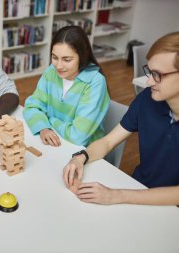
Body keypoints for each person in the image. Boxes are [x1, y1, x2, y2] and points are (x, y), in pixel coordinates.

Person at [63, 31, 179, 206]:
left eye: (158, 75)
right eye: (149, 71)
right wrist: (80, 158)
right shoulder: (147, 99)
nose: (148, 82)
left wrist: (116, 195)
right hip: (137, 188)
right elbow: (108, 142)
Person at [23, 26, 110, 147]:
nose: (58, 66)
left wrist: (49, 120)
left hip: (83, 153)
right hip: (55, 144)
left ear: (82, 56)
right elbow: (31, 106)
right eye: (54, 57)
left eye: (67, 59)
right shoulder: (51, 71)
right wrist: (43, 128)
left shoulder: (95, 82)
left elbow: (78, 137)